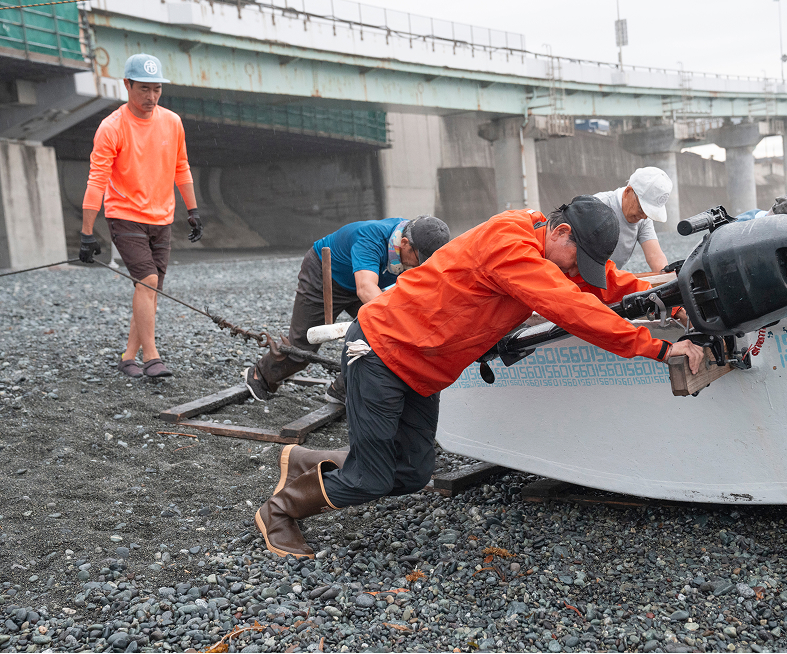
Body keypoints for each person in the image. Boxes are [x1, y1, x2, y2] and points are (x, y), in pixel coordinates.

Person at [253, 196, 704, 559]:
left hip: (420, 367)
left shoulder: (542, 245)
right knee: (370, 480)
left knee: (412, 473)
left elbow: (603, 282)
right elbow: (574, 309)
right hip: (381, 350)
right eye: (575, 260)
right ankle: (278, 513)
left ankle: (306, 461)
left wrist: (668, 298)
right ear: (560, 231)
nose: (574, 272)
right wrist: (661, 349)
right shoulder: (511, 247)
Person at [79, 53, 202, 379]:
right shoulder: (112, 127)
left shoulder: (172, 122)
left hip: (162, 217)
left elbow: (181, 167)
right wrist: (87, 233)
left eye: (156, 89)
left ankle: (128, 357)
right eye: (144, 89)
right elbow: (97, 181)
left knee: (149, 289)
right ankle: (152, 357)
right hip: (125, 215)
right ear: (127, 85)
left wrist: (192, 211)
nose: (151, 96)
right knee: (148, 282)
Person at [243, 215, 451, 404]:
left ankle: (341, 389)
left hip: (367, 282)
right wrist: (402, 321)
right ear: (404, 243)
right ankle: (259, 375)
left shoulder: (418, 239)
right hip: (324, 277)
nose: (421, 265)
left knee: (382, 338)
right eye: (420, 259)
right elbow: (365, 288)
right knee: (302, 349)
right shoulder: (371, 238)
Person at [593, 167, 672, 273]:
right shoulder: (598, 207)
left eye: (649, 212)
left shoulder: (643, 219)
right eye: (642, 208)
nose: (644, 216)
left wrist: (666, 275)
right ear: (628, 192)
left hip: (610, 277)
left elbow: (655, 256)